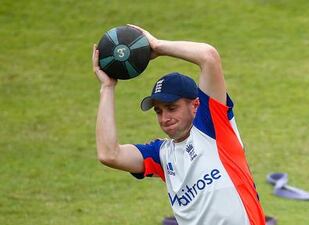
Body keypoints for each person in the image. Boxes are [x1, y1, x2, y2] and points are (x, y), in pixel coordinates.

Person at [92, 24, 267, 225]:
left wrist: (157, 46)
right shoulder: (161, 154)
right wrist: (107, 88)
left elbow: (208, 57)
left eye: (171, 107)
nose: (164, 117)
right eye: (158, 111)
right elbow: (109, 154)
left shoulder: (213, 128)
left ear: (195, 105)